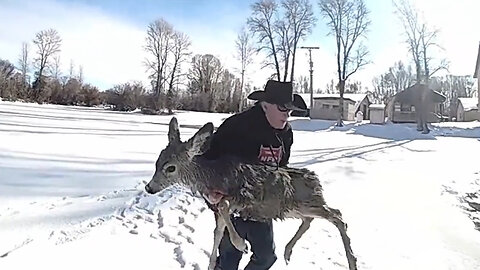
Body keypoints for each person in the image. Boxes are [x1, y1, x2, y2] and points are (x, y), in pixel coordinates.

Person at [202, 80, 306, 270]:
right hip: (231, 205)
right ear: (265, 106)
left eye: (290, 110)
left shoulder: (286, 134)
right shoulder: (236, 127)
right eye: (283, 108)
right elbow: (206, 163)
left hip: (262, 206)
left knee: (266, 257)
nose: (287, 115)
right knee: (228, 260)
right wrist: (209, 194)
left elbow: (282, 167)